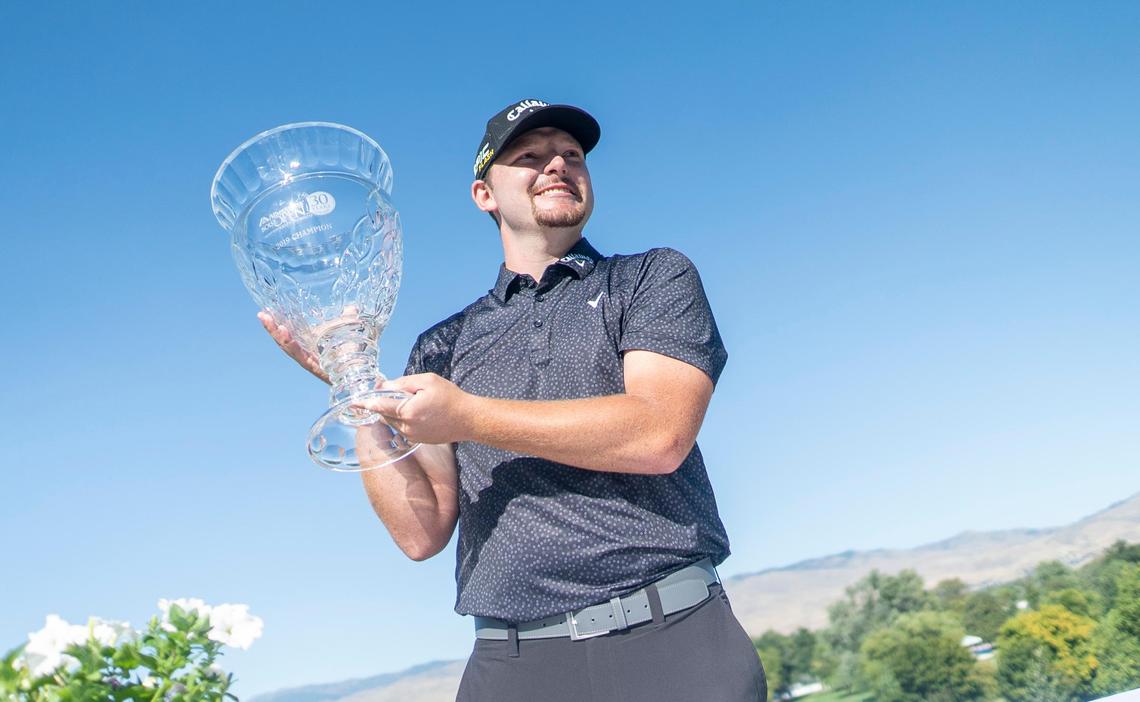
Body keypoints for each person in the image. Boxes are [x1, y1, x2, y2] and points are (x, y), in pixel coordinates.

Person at [260, 99, 766, 702]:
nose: (557, 165)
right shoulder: (443, 345)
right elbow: (420, 532)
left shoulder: (651, 278)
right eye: (529, 156)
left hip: (671, 642)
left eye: (572, 155)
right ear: (485, 195)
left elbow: (659, 435)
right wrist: (357, 393)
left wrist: (468, 415)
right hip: (513, 666)